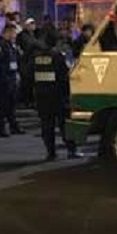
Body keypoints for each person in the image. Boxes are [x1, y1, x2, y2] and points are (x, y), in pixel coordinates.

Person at [32, 31, 78, 161]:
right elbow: (64, 77)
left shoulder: (36, 57)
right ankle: (71, 150)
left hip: (42, 95)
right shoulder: (57, 56)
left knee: (47, 125)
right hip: (57, 95)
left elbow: (30, 74)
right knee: (65, 124)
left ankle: (51, 152)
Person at [0, 24, 24, 138]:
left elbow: (15, 60)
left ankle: (13, 126)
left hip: (12, 78)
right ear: (8, 32)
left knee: (11, 104)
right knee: (2, 105)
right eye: (13, 33)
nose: (15, 36)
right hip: (3, 80)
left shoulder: (11, 45)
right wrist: (5, 78)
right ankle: (1, 129)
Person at [17, 18, 38, 107]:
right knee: (25, 82)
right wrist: (21, 54)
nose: (33, 26)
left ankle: (32, 100)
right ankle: (25, 101)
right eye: (31, 24)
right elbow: (18, 46)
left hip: (34, 60)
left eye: (33, 24)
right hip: (25, 61)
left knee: (33, 82)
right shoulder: (21, 35)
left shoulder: (36, 34)